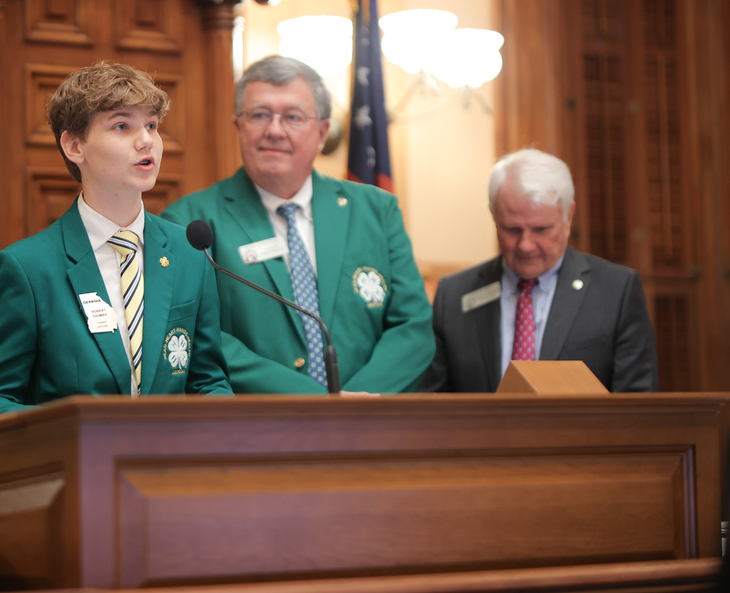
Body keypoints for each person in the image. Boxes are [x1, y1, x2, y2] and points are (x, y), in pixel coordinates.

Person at [0, 62, 232, 422]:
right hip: (76, 471)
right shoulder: (26, 269)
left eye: (151, 125)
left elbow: (208, 382)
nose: (146, 139)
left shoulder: (190, 253)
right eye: (122, 126)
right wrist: (74, 435)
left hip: (167, 473)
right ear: (74, 145)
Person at [162, 55, 433, 394]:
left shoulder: (377, 210)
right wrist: (317, 402)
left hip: (371, 426)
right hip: (256, 431)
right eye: (259, 115)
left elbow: (413, 326)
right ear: (238, 127)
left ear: (322, 132)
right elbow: (198, 335)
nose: (274, 130)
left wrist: (359, 405)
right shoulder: (188, 224)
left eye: (293, 117)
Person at [420, 148, 658, 393]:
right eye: (512, 229)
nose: (525, 245)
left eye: (541, 229)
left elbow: (636, 406)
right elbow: (433, 406)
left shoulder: (616, 291)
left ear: (569, 216)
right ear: (493, 216)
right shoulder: (454, 294)